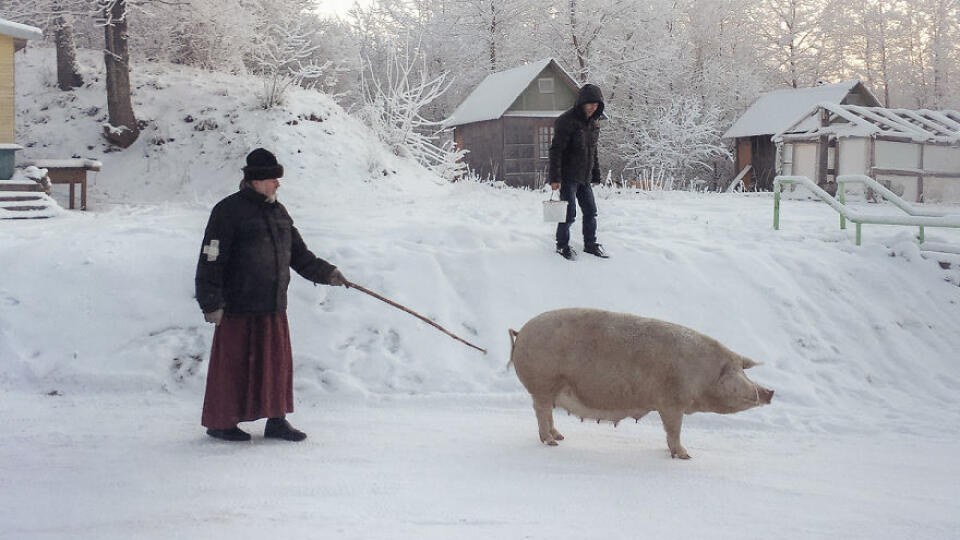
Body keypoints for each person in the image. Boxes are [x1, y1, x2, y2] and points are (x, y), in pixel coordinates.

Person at [195, 148, 348, 442]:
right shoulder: (228, 211)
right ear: (256, 181)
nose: (278, 183)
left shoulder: (279, 213)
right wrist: (210, 301)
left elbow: (300, 256)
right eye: (273, 179)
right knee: (233, 368)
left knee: (275, 367)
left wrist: (328, 273)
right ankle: (221, 423)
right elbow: (211, 258)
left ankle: (276, 421)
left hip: (272, 305)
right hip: (238, 306)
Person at [548, 83, 609, 261]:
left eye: (596, 104)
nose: (593, 107)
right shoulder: (566, 121)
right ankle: (562, 245)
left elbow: (593, 150)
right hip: (567, 176)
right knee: (568, 213)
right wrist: (555, 177)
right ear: (581, 102)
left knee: (591, 211)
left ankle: (590, 244)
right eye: (590, 103)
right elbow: (556, 150)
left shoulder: (594, 123)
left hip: (585, 177)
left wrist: (595, 174)